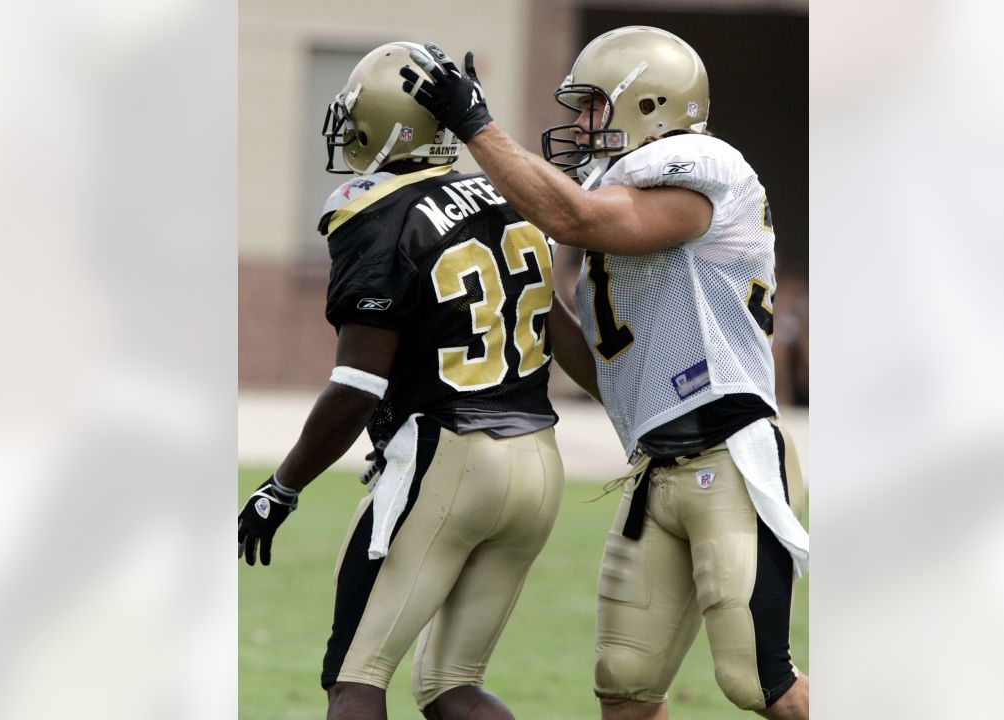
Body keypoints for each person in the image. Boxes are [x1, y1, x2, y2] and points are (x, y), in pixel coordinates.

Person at [400, 27, 810, 720]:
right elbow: (609, 373)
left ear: (649, 102)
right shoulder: (612, 192)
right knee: (624, 687)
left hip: (731, 457)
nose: (579, 125)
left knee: (757, 683)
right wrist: (516, 277)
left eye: (592, 107)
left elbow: (576, 215)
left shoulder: (699, 168)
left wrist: (476, 125)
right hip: (657, 468)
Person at [238, 42, 564, 720]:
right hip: (539, 460)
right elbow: (561, 330)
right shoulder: (504, 191)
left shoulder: (378, 215)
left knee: (356, 676)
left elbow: (358, 384)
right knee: (453, 686)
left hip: (448, 460)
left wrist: (283, 485)